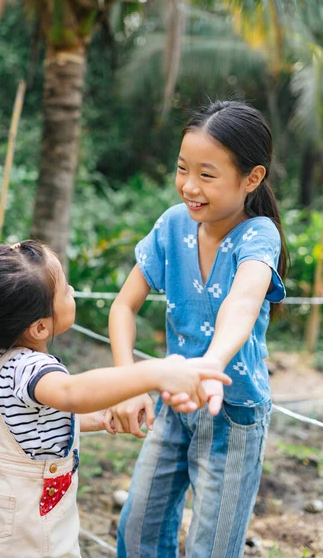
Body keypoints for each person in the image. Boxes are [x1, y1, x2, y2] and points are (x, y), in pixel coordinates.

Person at [0, 240, 231, 558]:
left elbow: (37, 422)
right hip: (24, 536)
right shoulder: (31, 368)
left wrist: (97, 420)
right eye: (65, 289)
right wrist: (156, 372)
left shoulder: (1, 357)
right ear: (40, 327)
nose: (72, 290)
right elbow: (72, 393)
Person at [107, 100, 288, 558]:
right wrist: (127, 383)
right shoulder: (172, 226)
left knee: (212, 548)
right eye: (183, 168)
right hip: (174, 403)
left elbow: (242, 302)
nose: (189, 186)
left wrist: (211, 363)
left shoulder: (258, 236)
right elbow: (123, 307)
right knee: (137, 532)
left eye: (207, 175)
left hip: (234, 413)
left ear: (252, 178)